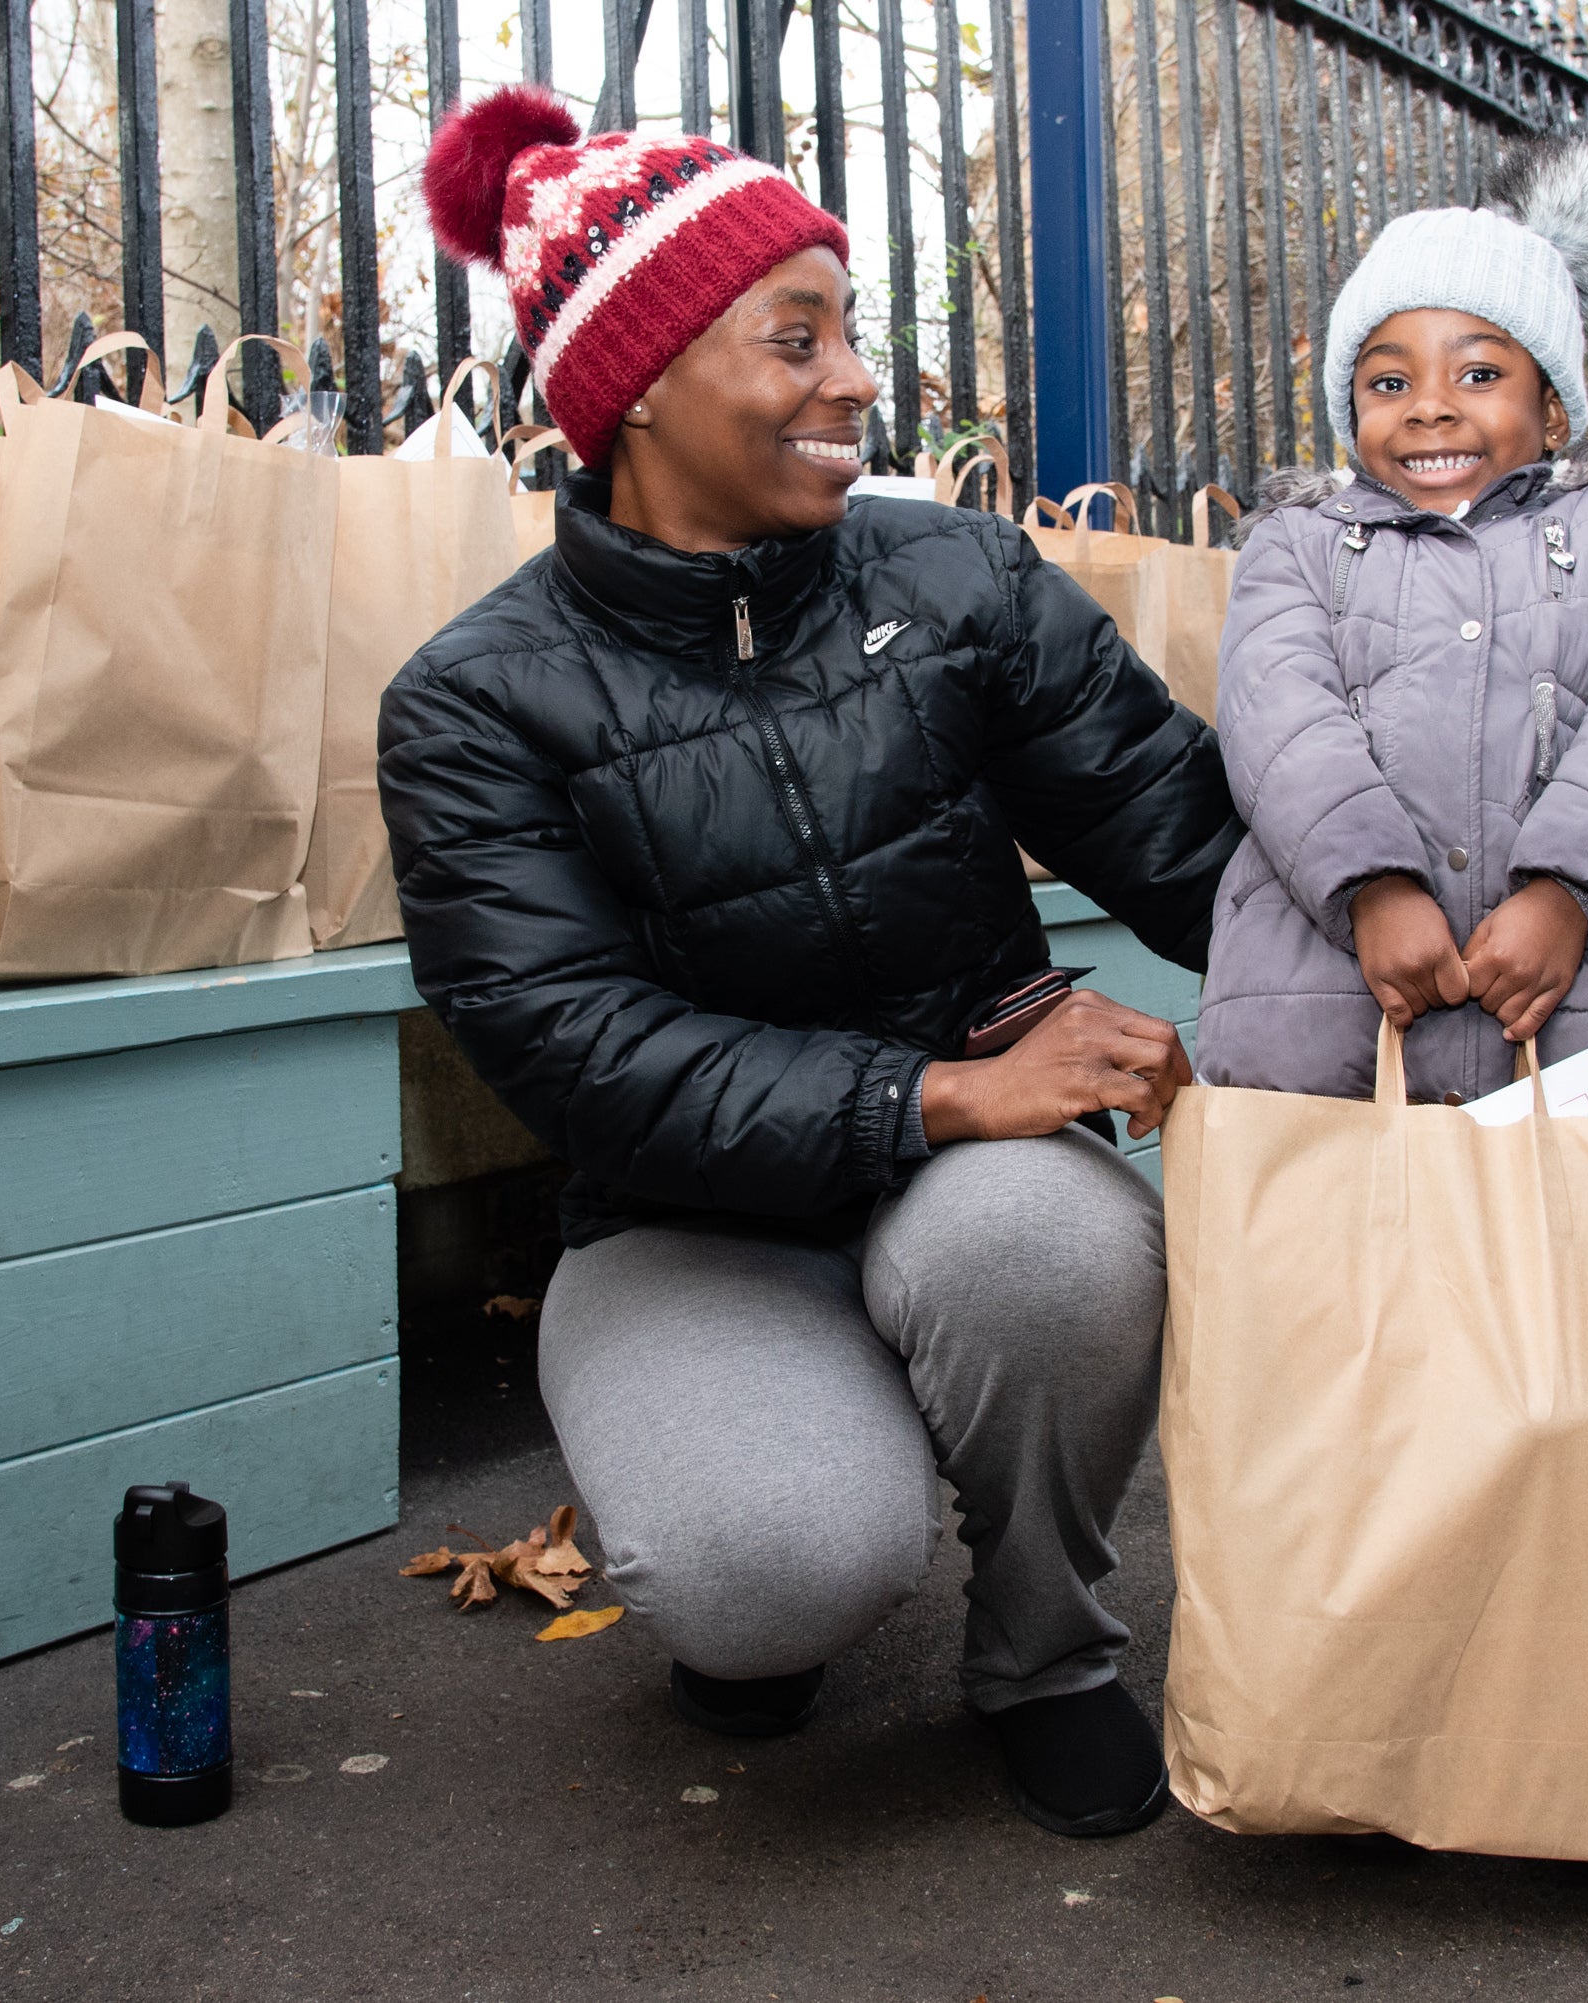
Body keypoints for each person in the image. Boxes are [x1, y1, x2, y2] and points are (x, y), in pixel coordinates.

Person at [379, 86, 1241, 1837]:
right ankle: (773, 1556)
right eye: (799, 336)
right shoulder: (475, 702)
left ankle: (1048, 1652)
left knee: (1060, 1252)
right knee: (765, 1571)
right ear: (632, 387)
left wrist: (1438, 953)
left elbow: (1188, 835)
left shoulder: (955, 577)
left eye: (852, 329)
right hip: (687, 1224)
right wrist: (940, 1089)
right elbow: (582, 1050)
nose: (857, 378)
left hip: (977, 1187)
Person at [1201, 142, 1588, 1118]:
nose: (1429, 406)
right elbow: (1279, 720)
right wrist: (1371, 886)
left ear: (1552, 410)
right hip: (1329, 1027)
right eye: (1387, 381)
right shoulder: (1295, 546)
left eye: (1480, 371)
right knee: (1337, 1264)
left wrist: (1566, 893)